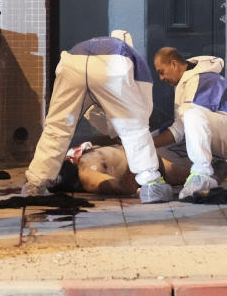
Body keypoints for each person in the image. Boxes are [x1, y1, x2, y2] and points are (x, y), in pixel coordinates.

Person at [21, 31, 174, 203]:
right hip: (114, 66)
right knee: (135, 126)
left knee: (57, 127)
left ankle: (35, 184)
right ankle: (151, 183)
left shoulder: (87, 43)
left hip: (71, 62)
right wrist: (122, 132)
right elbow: (141, 112)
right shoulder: (133, 56)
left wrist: (113, 127)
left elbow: (89, 112)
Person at [153, 47, 227, 199]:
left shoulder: (203, 79)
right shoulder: (185, 81)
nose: (161, 78)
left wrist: (144, 143)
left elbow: (182, 127)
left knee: (192, 115)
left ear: (173, 64)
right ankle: (216, 167)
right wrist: (148, 141)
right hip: (215, 132)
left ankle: (202, 174)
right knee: (158, 141)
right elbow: (181, 127)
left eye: (161, 71)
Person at [58, 139, 227, 196]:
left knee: (205, 153)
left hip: (144, 147)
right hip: (155, 166)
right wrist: (128, 185)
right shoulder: (84, 171)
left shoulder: (84, 152)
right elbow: (102, 184)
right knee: (211, 171)